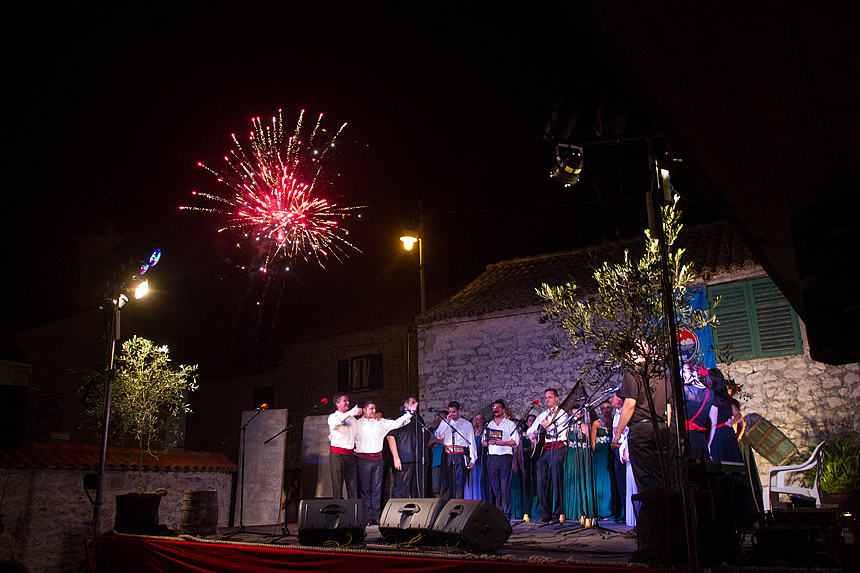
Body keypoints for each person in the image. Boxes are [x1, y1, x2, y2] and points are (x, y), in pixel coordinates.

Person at [611, 350, 677, 490]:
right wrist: (666, 427)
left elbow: (629, 405)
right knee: (662, 477)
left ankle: (652, 510)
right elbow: (668, 407)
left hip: (642, 429)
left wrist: (618, 435)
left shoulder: (633, 374)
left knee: (646, 481)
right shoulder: (662, 375)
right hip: (662, 427)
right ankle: (664, 510)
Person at [706, 368, 757, 523]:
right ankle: (741, 513)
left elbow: (713, 425)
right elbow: (738, 415)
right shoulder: (726, 398)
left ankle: (725, 514)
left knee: (721, 474)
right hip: (728, 437)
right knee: (734, 473)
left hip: (719, 437)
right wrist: (732, 422)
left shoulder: (713, 398)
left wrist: (708, 445)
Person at [354, 400, 412, 525]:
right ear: (364, 410)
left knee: (377, 488)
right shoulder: (357, 424)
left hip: (377, 460)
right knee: (365, 489)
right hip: (363, 459)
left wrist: (409, 413)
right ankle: (367, 517)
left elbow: (397, 423)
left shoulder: (381, 422)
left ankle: (376, 515)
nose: (374, 411)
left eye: (375, 408)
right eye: (371, 408)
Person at [527, 389, 569, 523]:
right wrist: (532, 436)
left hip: (557, 448)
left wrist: (549, 428)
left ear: (556, 399)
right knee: (541, 483)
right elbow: (530, 429)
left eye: (550, 397)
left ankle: (557, 515)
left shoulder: (562, 414)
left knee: (556, 482)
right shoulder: (542, 415)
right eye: (546, 398)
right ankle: (545, 514)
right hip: (542, 451)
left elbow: (561, 432)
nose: (547, 400)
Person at [388, 395, 433, 498]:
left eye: (416, 402)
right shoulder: (398, 418)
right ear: (406, 404)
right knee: (401, 490)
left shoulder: (418, 418)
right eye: (413, 403)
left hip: (418, 459)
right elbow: (391, 437)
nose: (415, 405)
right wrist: (396, 458)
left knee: (419, 491)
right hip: (404, 459)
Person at [483, 399, 520, 519]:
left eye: (498, 407)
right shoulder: (489, 425)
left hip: (505, 457)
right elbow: (483, 442)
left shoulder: (510, 424)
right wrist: (490, 442)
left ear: (503, 410)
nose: (496, 409)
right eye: (494, 407)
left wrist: (502, 443)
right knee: (495, 487)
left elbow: (515, 442)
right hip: (492, 458)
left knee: (505, 487)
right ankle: (498, 513)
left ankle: (507, 514)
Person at [434, 401, 477, 501]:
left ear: (459, 411)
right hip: (447, 454)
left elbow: (471, 442)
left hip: (460, 454)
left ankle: (458, 506)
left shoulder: (466, 424)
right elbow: (438, 435)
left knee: (459, 483)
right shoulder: (445, 423)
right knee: (446, 483)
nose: (451, 414)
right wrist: (446, 423)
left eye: (454, 412)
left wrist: (473, 459)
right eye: (450, 412)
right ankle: (445, 506)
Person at [327, 392, 362, 499]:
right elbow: (334, 424)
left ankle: (353, 513)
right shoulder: (333, 416)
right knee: (337, 486)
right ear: (337, 403)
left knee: (353, 486)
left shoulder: (352, 419)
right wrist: (350, 413)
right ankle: (338, 513)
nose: (347, 403)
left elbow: (357, 433)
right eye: (344, 401)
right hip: (337, 455)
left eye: (348, 401)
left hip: (350, 456)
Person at [681, 358, 716, 461]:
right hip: (700, 441)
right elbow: (713, 423)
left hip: (686, 438)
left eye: (685, 371)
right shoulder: (710, 393)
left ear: (695, 373)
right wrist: (708, 446)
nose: (682, 374)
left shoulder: (685, 391)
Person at [466, 412, 488, 500]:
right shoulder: (472, 431)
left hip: (484, 457)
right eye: (477, 419)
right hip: (475, 458)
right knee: (475, 480)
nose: (479, 421)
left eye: (481, 418)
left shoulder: (486, 431)